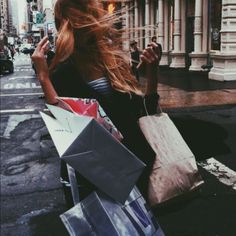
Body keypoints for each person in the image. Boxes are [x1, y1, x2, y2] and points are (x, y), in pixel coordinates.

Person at [32, 0, 161, 208]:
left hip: (132, 168)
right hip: (91, 175)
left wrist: (153, 72)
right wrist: (43, 77)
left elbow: (144, 113)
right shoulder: (63, 70)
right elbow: (65, 125)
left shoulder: (116, 62)